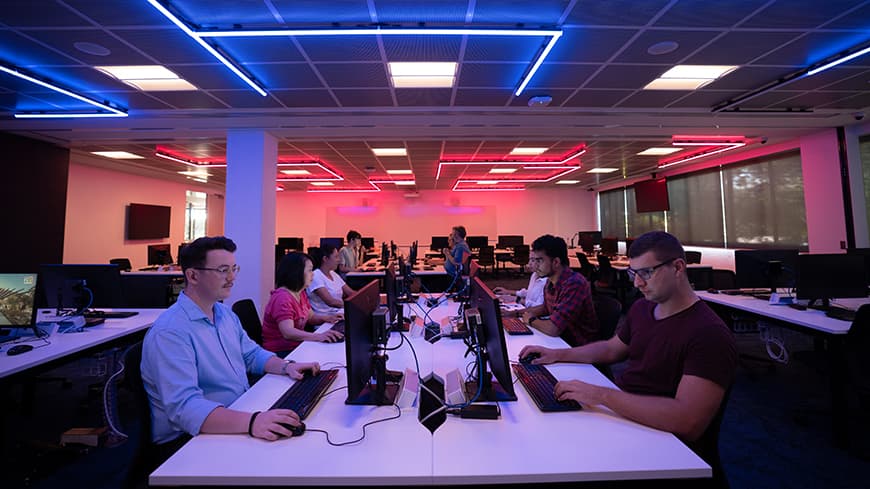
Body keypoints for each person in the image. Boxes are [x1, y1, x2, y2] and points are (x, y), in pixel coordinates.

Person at [519, 231, 737, 487]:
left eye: (646, 273)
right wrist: (558, 354)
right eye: (633, 274)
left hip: (664, 446)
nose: (637, 284)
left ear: (678, 267)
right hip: (628, 418)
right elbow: (612, 349)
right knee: (540, 439)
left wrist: (601, 395)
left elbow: (687, 421)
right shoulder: (643, 308)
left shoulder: (708, 334)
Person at [141, 236, 320, 458]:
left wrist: (286, 366)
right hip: (190, 440)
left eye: (234, 268)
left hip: (236, 412)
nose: (232, 277)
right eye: (223, 270)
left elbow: (251, 355)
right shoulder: (170, 332)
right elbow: (185, 409)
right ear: (193, 275)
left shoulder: (224, 314)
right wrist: (253, 421)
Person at [520, 234, 598, 346]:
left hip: (577, 346)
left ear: (556, 262)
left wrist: (531, 320)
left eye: (539, 261)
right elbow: (546, 308)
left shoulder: (574, 284)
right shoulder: (550, 281)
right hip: (560, 339)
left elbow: (554, 329)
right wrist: (516, 314)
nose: (535, 266)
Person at [262, 251, 344, 356]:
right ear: (297, 272)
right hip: (281, 352)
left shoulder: (300, 292)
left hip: (296, 346)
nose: (313, 274)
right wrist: (319, 336)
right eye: (310, 270)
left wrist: (328, 318)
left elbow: (311, 317)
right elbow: (288, 332)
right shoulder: (282, 297)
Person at [307, 244, 355, 315]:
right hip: (325, 320)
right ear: (325, 259)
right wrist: (355, 305)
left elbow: (350, 292)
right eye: (336, 257)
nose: (339, 260)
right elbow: (331, 302)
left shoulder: (333, 274)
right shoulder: (316, 276)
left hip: (339, 313)